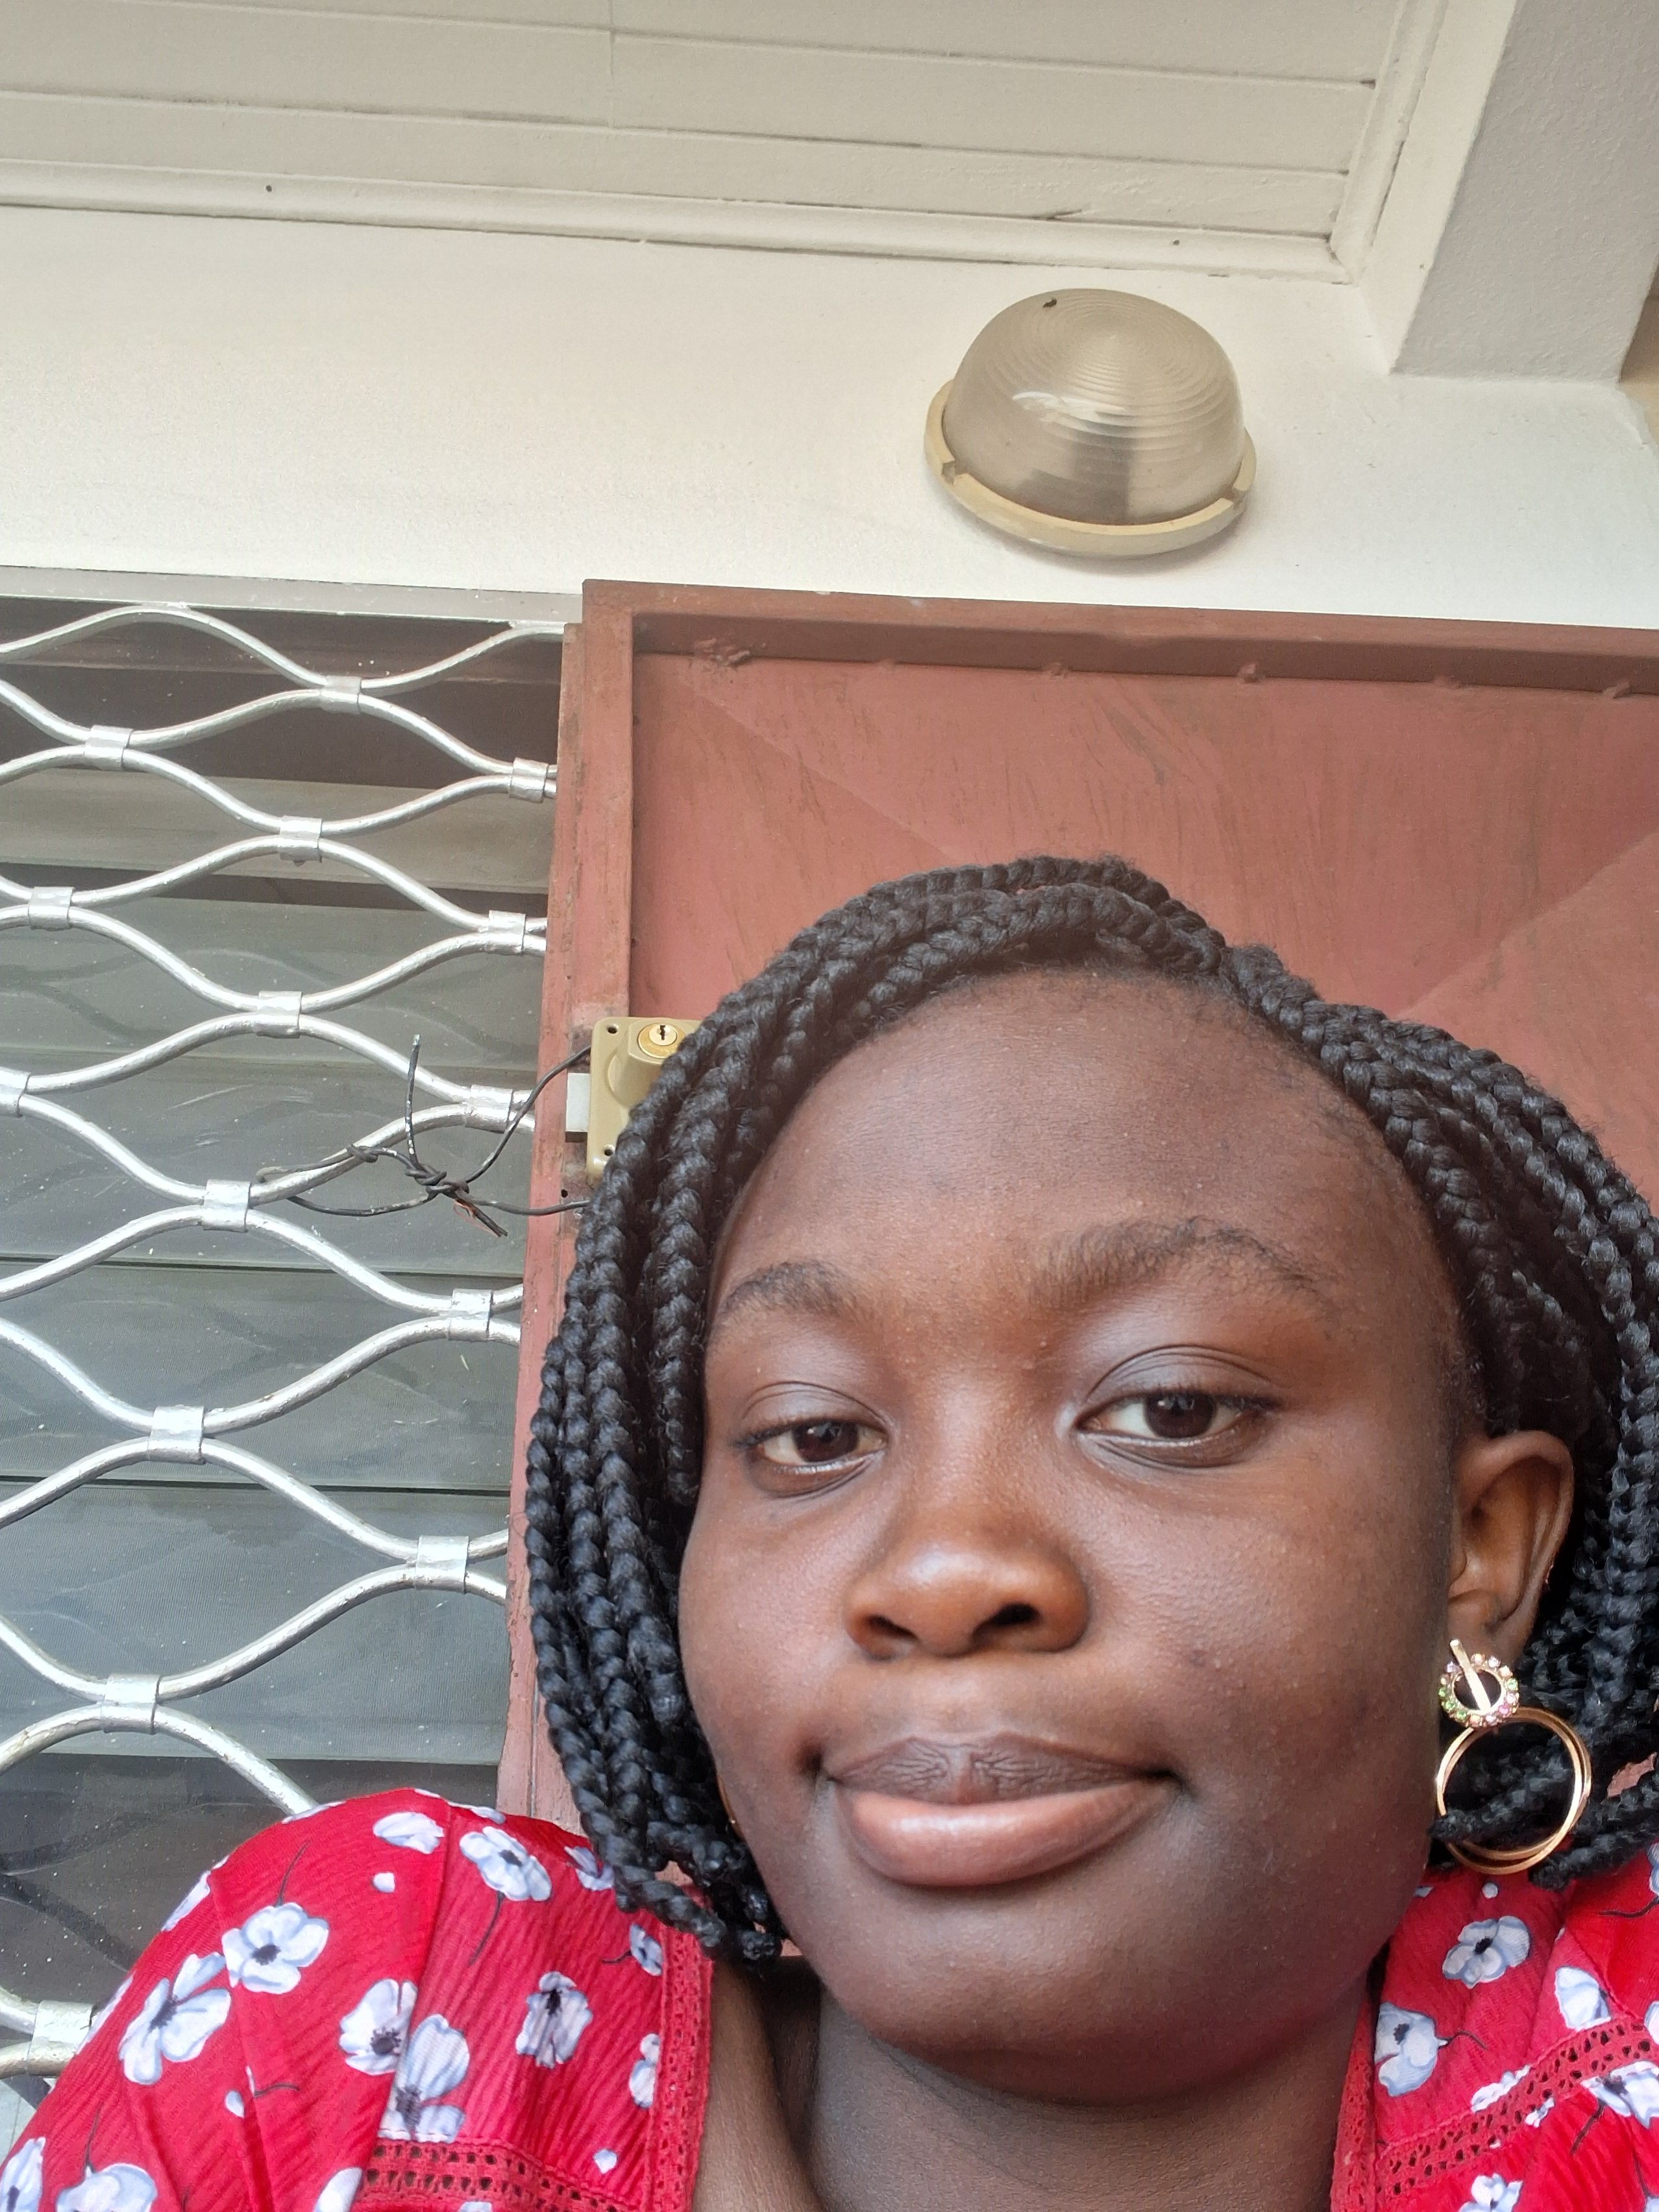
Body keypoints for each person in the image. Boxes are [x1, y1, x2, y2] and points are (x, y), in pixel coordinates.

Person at [13, 854, 1659, 2212]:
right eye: (813, 1437)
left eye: (1170, 1408)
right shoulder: (380, 2019)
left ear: (1480, 1549)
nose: (941, 1575)